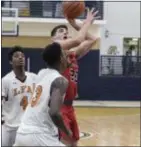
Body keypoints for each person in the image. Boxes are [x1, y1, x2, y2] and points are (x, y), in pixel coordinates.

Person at [51, 8, 99, 146]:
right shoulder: (55, 49)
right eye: (60, 32)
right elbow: (79, 39)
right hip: (58, 107)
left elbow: (93, 39)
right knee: (64, 143)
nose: (65, 33)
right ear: (53, 39)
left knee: (74, 143)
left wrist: (75, 24)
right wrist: (87, 23)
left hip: (70, 107)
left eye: (66, 31)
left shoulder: (72, 55)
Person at [14, 42, 70, 146]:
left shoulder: (41, 73)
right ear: (61, 58)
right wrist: (67, 132)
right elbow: (54, 113)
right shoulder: (61, 81)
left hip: (22, 133)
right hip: (39, 136)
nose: (66, 55)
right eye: (64, 54)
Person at [2, 46, 37, 146]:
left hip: (28, 127)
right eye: (16, 56)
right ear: (10, 62)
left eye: (22, 56)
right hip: (10, 127)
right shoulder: (5, 81)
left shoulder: (34, 77)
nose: (20, 58)